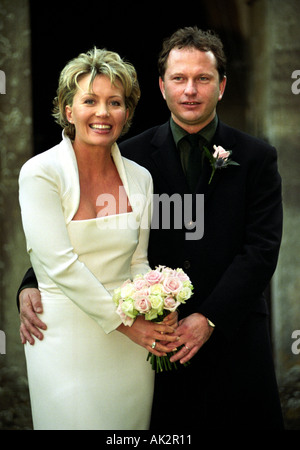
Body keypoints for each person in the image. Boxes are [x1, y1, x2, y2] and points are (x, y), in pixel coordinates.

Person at [18, 27, 284, 430]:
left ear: (222, 85)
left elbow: (261, 250)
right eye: (179, 78)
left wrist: (209, 317)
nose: (190, 89)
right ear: (162, 86)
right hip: (154, 345)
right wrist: (31, 282)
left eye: (203, 78)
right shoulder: (131, 156)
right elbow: (69, 242)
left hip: (234, 334)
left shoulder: (257, 157)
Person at [17, 48, 178, 430]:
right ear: (68, 110)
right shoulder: (40, 173)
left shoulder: (140, 178)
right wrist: (129, 325)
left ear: (127, 112)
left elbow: (137, 261)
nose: (103, 113)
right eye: (90, 101)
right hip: (63, 340)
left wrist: (159, 305)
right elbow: (59, 264)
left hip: (130, 349)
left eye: (115, 102)